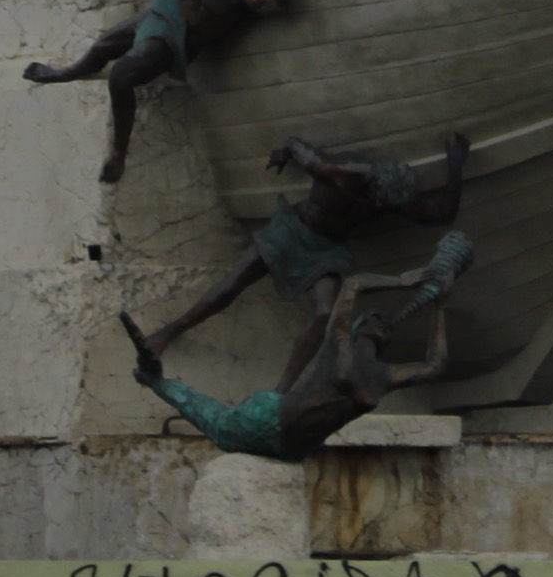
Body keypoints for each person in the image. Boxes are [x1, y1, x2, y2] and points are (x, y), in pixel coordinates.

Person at [133, 131, 472, 388]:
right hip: (293, 230)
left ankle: (281, 392)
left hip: (327, 250)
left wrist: (455, 164)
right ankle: (166, 334)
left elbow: (441, 214)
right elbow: (298, 147)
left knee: (325, 313)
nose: (381, 207)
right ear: (371, 184)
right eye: (377, 200)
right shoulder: (337, 172)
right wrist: (283, 152)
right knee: (232, 284)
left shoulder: (393, 196)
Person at [22, 0, 294, 182]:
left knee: (121, 77)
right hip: (167, 12)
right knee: (104, 46)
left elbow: (280, 2)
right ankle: (68, 72)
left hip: (181, 40)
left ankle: (119, 154)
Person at [124, 231, 473, 462]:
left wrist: (440, 306)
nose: (381, 320)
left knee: (216, 421)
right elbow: (352, 286)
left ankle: (156, 380)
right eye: (373, 317)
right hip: (269, 420)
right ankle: (156, 380)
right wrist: (399, 282)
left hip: (293, 448)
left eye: (383, 322)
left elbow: (434, 365)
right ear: (355, 327)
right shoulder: (340, 344)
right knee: (213, 418)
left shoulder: (383, 375)